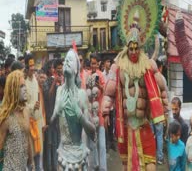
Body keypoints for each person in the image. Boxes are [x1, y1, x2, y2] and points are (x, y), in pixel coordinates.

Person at [102, 26, 169, 171]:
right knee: (126, 166)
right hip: (125, 126)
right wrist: (106, 112)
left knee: (151, 164)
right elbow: (109, 92)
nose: (133, 52)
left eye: (136, 48)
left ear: (140, 47)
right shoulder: (118, 66)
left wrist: (166, 112)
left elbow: (161, 89)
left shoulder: (148, 65)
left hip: (144, 124)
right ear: (127, 47)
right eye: (131, 48)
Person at [50, 49, 96, 170]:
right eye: (65, 60)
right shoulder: (59, 91)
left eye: (69, 60)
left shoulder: (81, 94)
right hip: (63, 153)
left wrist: (79, 115)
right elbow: (52, 124)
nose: (66, 63)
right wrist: (57, 111)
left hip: (79, 155)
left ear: (76, 69)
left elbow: (92, 132)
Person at [0, 70, 33, 170]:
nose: (25, 89)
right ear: (13, 89)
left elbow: (27, 139)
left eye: (25, 86)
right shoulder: (6, 116)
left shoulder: (26, 111)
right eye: (21, 86)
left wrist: (31, 164)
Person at [87, 53, 107, 170]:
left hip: (100, 115)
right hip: (90, 115)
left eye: (94, 63)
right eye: (91, 63)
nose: (93, 65)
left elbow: (105, 91)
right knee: (92, 144)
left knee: (102, 144)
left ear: (98, 64)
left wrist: (99, 87)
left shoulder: (100, 76)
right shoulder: (88, 75)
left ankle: (103, 168)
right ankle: (94, 166)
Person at [25, 53, 44, 171]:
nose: (32, 68)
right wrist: (33, 107)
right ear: (26, 67)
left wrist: (42, 123)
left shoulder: (35, 81)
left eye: (33, 65)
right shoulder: (24, 82)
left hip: (37, 122)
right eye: (30, 65)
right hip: (28, 124)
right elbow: (22, 106)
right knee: (30, 157)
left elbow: (39, 101)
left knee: (38, 154)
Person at [42, 60, 60, 171]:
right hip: (48, 119)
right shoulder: (46, 82)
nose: (55, 70)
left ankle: (55, 167)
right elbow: (48, 96)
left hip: (56, 119)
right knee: (49, 146)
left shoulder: (55, 81)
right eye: (53, 68)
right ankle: (49, 168)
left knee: (56, 145)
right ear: (49, 69)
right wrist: (54, 83)